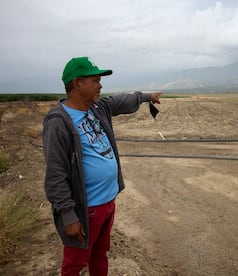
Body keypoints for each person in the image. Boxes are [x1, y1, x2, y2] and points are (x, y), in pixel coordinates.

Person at [42, 56, 161, 275]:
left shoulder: (96, 108)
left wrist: (146, 97)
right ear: (77, 83)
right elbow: (55, 174)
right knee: (75, 264)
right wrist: (69, 215)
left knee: (99, 254)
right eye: (95, 80)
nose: (100, 85)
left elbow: (120, 101)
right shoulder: (59, 122)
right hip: (86, 209)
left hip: (107, 202)